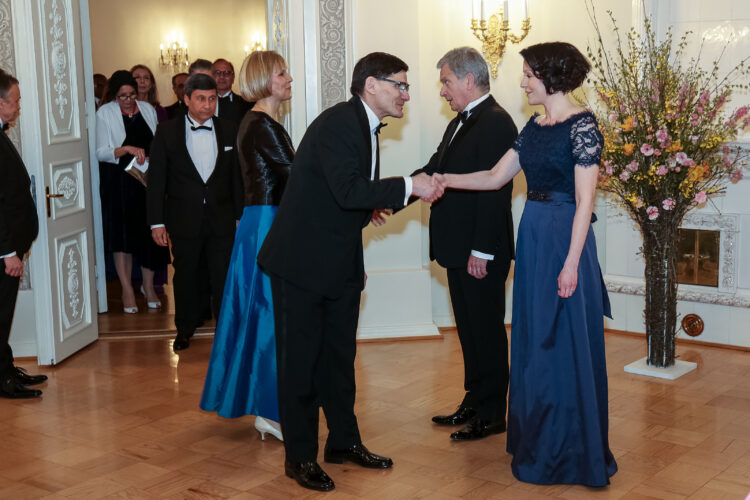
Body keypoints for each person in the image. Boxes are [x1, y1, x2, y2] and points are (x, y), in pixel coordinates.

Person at [257, 51, 443, 492]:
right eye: (399, 84)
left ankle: (343, 442)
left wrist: (368, 217)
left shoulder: (363, 125)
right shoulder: (342, 121)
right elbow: (347, 191)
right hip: (300, 264)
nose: (406, 94)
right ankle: (299, 457)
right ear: (371, 85)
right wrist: (408, 185)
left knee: (339, 360)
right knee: (300, 365)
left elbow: (340, 197)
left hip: (336, 262)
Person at [435, 42, 617, 486]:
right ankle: (538, 441)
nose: (522, 82)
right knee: (534, 341)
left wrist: (572, 264)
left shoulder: (583, 126)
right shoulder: (534, 126)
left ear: (551, 77)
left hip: (563, 238)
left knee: (564, 340)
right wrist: (443, 180)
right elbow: (496, 176)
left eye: (528, 74)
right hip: (533, 234)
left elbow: (585, 201)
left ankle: (572, 451)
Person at [412, 47, 516, 441]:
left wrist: (483, 250)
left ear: (469, 80)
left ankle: (492, 413)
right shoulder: (460, 121)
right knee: (469, 329)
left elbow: (496, 191)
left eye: (446, 81)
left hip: (479, 250)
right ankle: (474, 401)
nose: (443, 91)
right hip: (458, 247)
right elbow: (434, 169)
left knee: (486, 330)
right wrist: (388, 194)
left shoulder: (496, 122)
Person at [200, 50, 293, 442]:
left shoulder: (258, 121)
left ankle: (267, 408)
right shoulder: (260, 124)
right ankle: (271, 412)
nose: (289, 78)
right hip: (268, 223)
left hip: (262, 222)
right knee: (271, 320)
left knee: (263, 318)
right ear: (264, 80)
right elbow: (298, 175)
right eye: (282, 73)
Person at [147, 73, 243, 352]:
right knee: (186, 274)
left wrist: (240, 216)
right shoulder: (167, 132)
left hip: (223, 217)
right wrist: (156, 222)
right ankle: (184, 329)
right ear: (186, 98)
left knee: (223, 275)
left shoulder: (230, 129)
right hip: (183, 218)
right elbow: (156, 181)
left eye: (212, 99)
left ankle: (227, 332)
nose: (207, 105)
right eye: (201, 99)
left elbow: (237, 178)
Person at [96, 70, 170, 313]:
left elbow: (158, 142)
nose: (128, 100)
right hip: (118, 183)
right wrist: (126, 148)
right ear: (114, 96)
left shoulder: (147, 109)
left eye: (131, 95)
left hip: (146, 181)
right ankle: (127, 288)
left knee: (150, 237)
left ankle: (148, 287)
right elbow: (101, 152)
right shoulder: (104, 113)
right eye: (122, 96)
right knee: (123, 237)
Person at [0, 70, 47, 399]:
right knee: (0, 315)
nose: (18, 107)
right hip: (4, 251)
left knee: (4, 313)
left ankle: (5, 368)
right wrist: (7, 252)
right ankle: (3, 381)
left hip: (10, 246)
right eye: (15, 101)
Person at [213, 58, 253, 126]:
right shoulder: (203, 103)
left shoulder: (246, 104)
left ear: (233, 78)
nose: (222, 77)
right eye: (217, 72)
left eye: (226, 73)